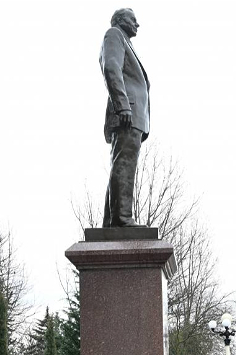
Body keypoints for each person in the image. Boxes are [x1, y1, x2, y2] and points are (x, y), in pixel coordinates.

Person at [99, 8, 150, 228]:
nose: (137, 24)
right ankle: (122, 218)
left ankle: (112, 221)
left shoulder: (125, 42)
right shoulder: (114, 35)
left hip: (132, 113)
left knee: (121, 164)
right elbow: (111, 68)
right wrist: (123, 106)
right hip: (127, 111)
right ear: (120, 20)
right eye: (133, 20)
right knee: (124, 163)